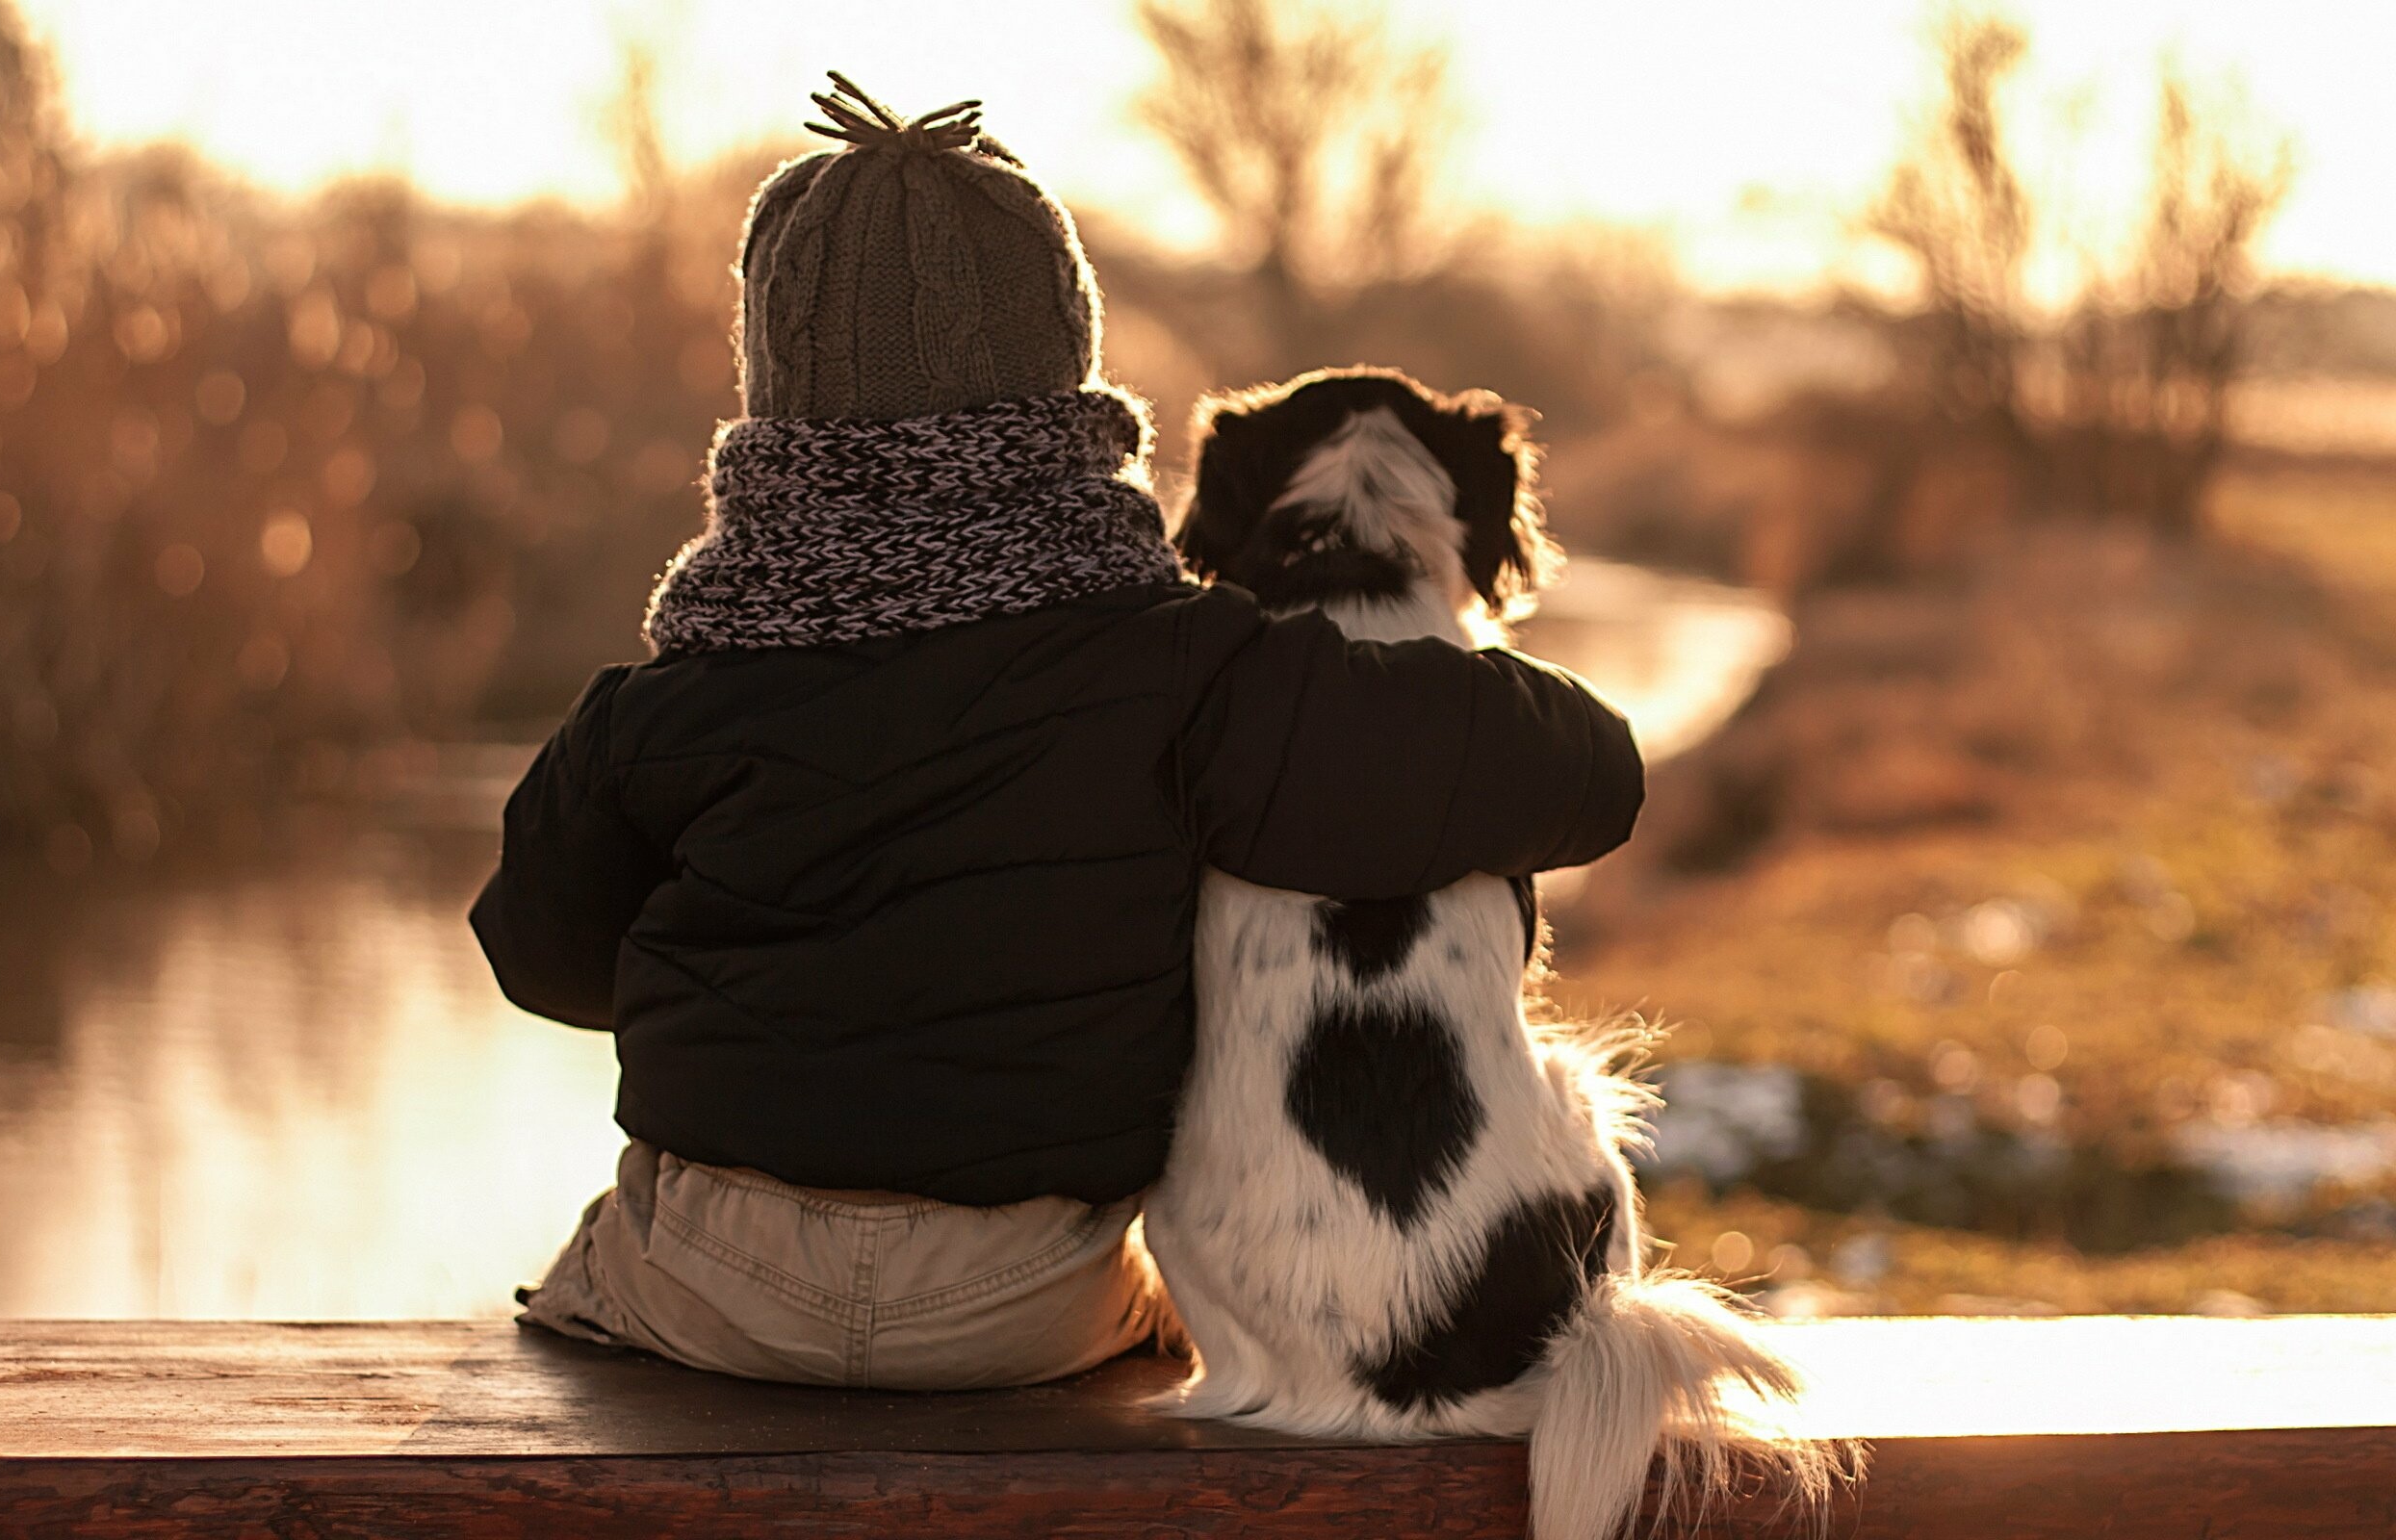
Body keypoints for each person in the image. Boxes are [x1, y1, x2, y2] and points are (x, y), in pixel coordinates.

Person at [471, 77, 1644, 1390]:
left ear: (773, 394)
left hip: (719, 1285)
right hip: (1023, 1300)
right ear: (1065, 363)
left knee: (580, 1276)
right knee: (1164, 1317)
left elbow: (537, 959)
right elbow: (1586, 775)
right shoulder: (1185, 672)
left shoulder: (674, 696)